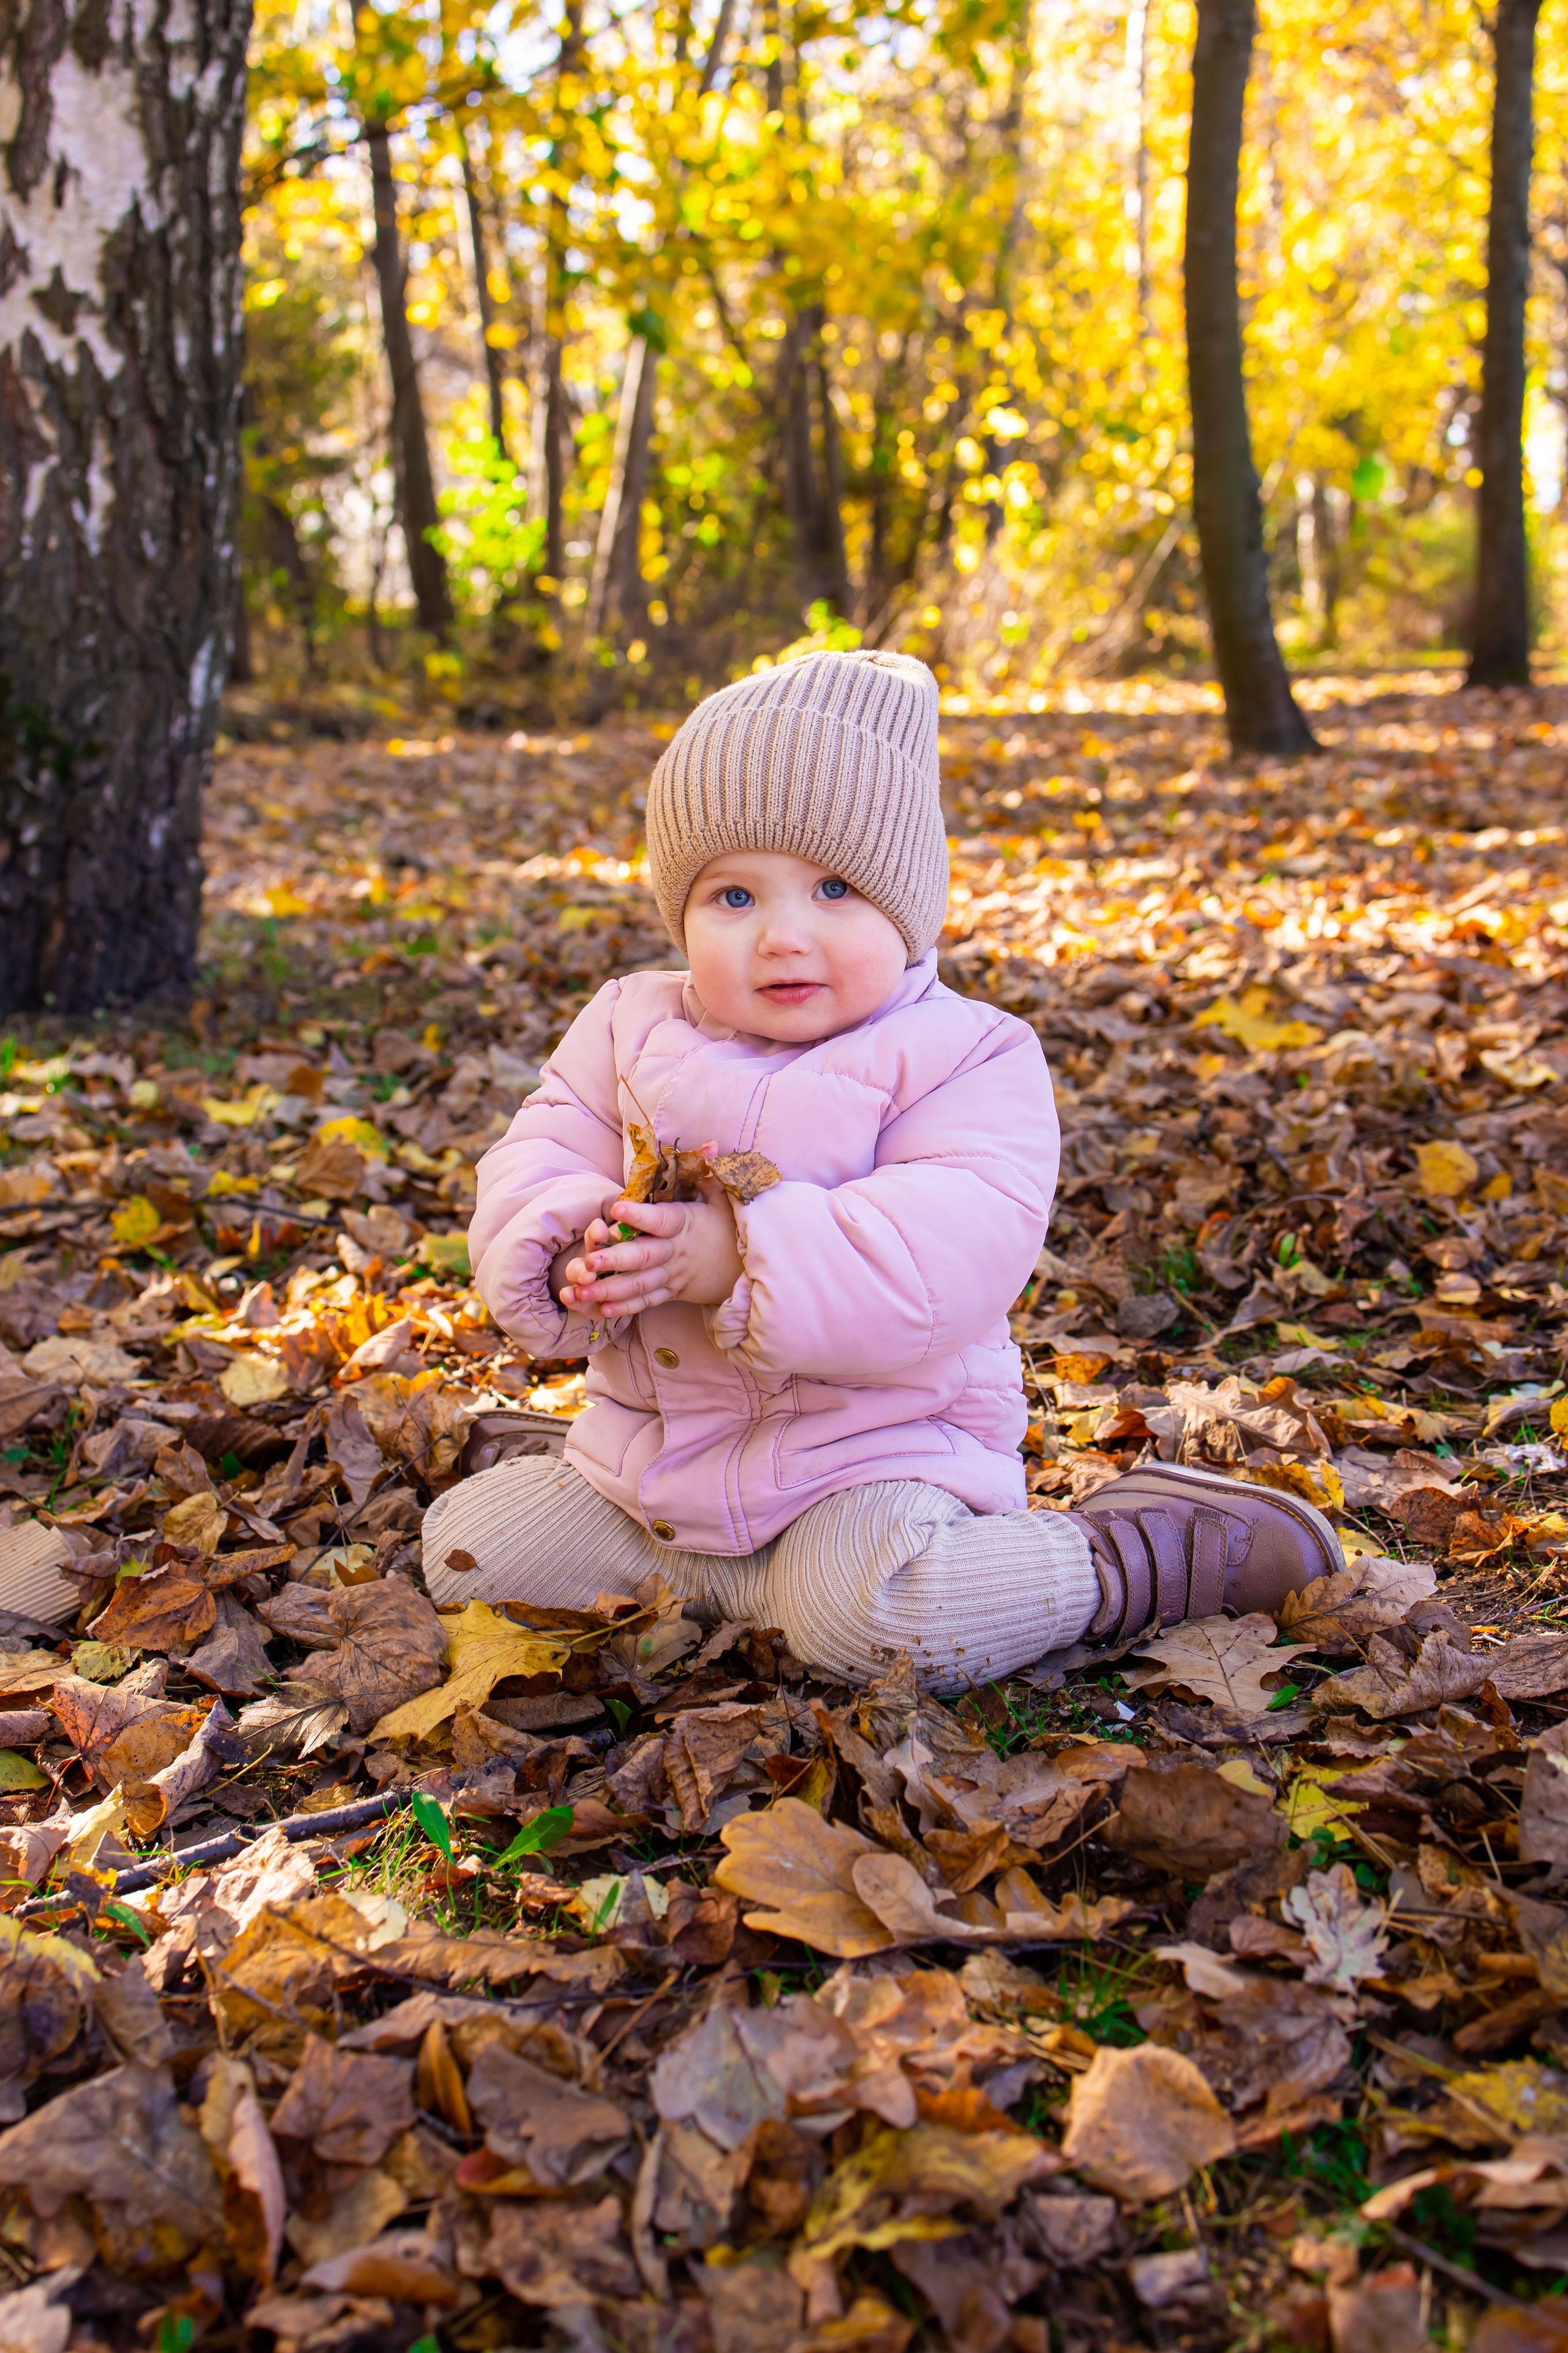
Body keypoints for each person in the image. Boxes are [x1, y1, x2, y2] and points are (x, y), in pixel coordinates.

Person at [423, 649, 1341, 1687]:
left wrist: (737, 1254)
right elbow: (536, 1152)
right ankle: (703, 1570)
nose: (782, 935)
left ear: (908, 904)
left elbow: (947, 1247)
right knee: (467, 1551)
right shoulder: (629, 1023)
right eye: (733, 894)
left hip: (871, 1467)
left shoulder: (968, 1055)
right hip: (660, 1474)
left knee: (881, 1623)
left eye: (832, 888)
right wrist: (566, 1245)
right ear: (677, 908)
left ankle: (1124, 1556)